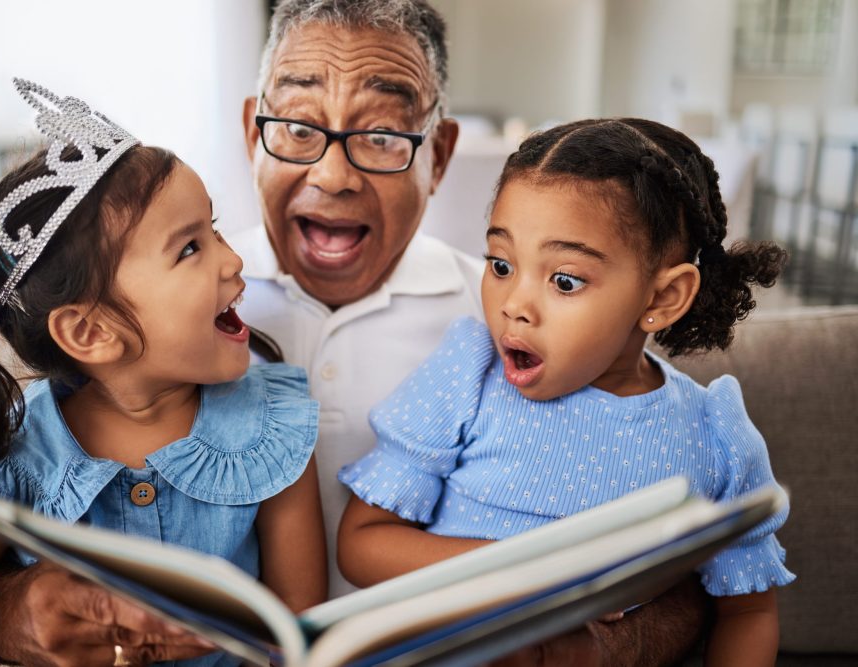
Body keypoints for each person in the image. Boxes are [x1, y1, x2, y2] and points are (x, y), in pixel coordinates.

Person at [0, 2, 713, 665]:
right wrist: (12, 612)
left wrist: (609, 642)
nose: (334, 174)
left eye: (383, 136)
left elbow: (689, 544)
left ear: (439, 155)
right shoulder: (139, 303)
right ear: (252, 131)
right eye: (295, 127)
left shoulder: (518, 322)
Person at [0, 78, 326, 666]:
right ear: (91, 332)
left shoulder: (271, 428)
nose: (233, 260)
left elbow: (298, 632)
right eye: (189, 248)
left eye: (214, 229)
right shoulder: (21, 451)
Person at [337, 117, 795, 665]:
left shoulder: (713, 434)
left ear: (664, 297)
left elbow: (747, 611)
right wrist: (522, 575)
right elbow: (362, 542)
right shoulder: (469, 373)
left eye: (565, 281)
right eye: (501, 265)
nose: (515, 305)